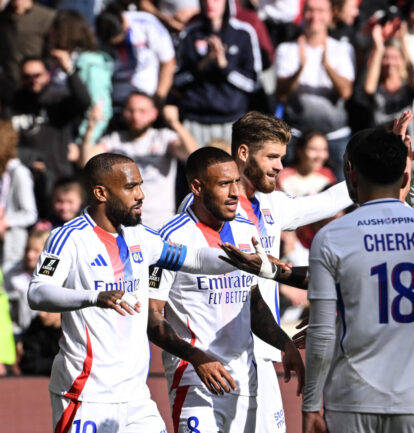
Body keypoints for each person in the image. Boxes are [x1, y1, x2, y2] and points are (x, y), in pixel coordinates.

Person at [26, 152, 275, 433]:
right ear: (101, 192)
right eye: (131, 187)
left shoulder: (139, 236)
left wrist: (250, 262)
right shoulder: (68, 238)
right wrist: (93, 297)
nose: (141, 195)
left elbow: (194, 259)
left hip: (136, 397)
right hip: (86, 393)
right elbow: (37, 293)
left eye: (140, 185)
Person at [176, 111, 353, 433]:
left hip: (260, 348)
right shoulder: (203, 206)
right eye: (271, 156)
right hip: (212, 354)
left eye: (281, 157)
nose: (279, 166)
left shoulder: (273, 204)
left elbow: (326, 202)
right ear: (243, 153)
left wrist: (391, 168)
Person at [302, 127, 414, 433]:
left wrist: (311, 404)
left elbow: (322, 332)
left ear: (350, 172)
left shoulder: (329, 238)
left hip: (352, 399)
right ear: (406, 178)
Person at [150, 147, 304, 433]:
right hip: (196, 380)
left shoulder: (246, 231)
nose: (235, 192)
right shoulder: (170, 239)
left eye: (236, 182)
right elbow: (152, 318)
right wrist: (197, 358)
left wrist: (285, 344)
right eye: (224, 184)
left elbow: (254, 305)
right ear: (197, 187)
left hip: (244, 380)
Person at [79, 92, 197, 229]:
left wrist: (175, 123)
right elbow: (86, 162)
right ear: (124, 113)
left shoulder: (163, 138)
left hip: (161, 221)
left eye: (142, 111)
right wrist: (91, 126)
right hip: (126, 221)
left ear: (154, 113)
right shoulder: (115, 140)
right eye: (131, 110)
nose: (136, 116)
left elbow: (192, 154)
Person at [274, 0, 355, 178]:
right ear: (303, 13)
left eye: (320, 10)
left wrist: (327, 66)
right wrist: (299, 69)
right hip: (296, 134)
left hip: (335, 135)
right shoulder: (286, 49)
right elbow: (282, 94)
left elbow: (346, 92)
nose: (315, 16)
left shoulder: (342, 49)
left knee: (346, 191)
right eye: (310, 10)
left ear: (331, 14)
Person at [174, 0, 262, 147]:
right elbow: (177, 81)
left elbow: (253, 83)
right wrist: (202, 65)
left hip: (232, 121)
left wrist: (225, 66)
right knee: (196, 169)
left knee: (232, 169)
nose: (210, 4)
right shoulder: (189, 33)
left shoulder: (243, 33)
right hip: (195, 121)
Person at [9, 56, 91, 202]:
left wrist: (68, 69)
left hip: (59, 178)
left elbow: (84, 101)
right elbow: (5, 142)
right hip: (25, 179)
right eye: (27, 76)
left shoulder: (57, 100)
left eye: (37, 75)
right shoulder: (13, 104)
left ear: (47, 75)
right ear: (21, 78)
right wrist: (29, 159)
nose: (33, 80)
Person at [48, 10, 114, 144]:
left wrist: (84, 142)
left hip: (80, 140)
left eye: (54, 29)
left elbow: (99, 105)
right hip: (59, 136)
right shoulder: (57, 62)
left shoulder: (90, 61)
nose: (50, 34)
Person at [95, 4, 175, 110]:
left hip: (147, 99)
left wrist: (159, 98)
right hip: (116, 100)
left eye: (121, 40)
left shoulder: (146, 23)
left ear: (124, 22)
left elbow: (168, 62)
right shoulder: (97, 33)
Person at [0, 119, 38, 271]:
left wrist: (5, 222)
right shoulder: (3, 174)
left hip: (12, 250)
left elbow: (30, 214)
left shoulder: (19, 173)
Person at [0, 0, 55, 88]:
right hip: (10, 80)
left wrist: (43, 74)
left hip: (35, 81)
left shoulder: (47, 16)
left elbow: (51, 51)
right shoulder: (4, 16)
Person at [5, 228, 49, 335]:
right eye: (27, 249)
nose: (30, 255)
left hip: (41, 334)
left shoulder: (53, 278)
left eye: (36, 251)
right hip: (16, 332)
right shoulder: (11, 273)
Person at [276, 131, 336, 197]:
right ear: (299, 151)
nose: (320, 156)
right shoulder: (282, 177)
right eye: (313, 149)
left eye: (324, 150)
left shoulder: (328, 175)